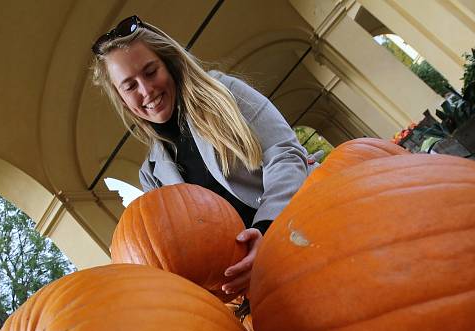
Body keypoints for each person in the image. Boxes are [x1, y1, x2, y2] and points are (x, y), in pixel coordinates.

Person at [91, 15, 311, 296]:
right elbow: (174, 249)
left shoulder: (224, 93)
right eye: (130, 86)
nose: (146, 91)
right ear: (121, 98)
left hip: (299, 231)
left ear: (168, 64)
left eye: (150, 72)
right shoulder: (151, 174)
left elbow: (284, 154)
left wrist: (266, 229)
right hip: (250, 286)